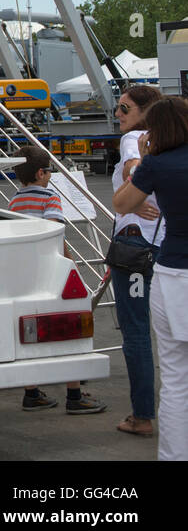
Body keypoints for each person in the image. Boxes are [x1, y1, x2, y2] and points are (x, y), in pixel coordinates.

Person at [114, 96, 188, 460]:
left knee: (176, 377)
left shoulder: (157, 164)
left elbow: (122, 203)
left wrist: (144, 157)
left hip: (175, 273)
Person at [9, 146, 107, 414]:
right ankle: (74, 394)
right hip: (49, 273)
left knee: (29, 331)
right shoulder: (50, 197)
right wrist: (70, 262)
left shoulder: (14, 202)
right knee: (67, 329)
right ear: (41, 173)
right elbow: (54, 234)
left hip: (24, 275)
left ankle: (32, 392)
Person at [109, 85, 164, 437]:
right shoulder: (173, 143)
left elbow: (133, 170)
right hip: (168, 247)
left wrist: (131, 193)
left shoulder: (136, 138)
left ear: (147, 111)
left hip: (135, 247)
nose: (118, 114)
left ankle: (142, 415)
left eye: (124, 107)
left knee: (137, 333)